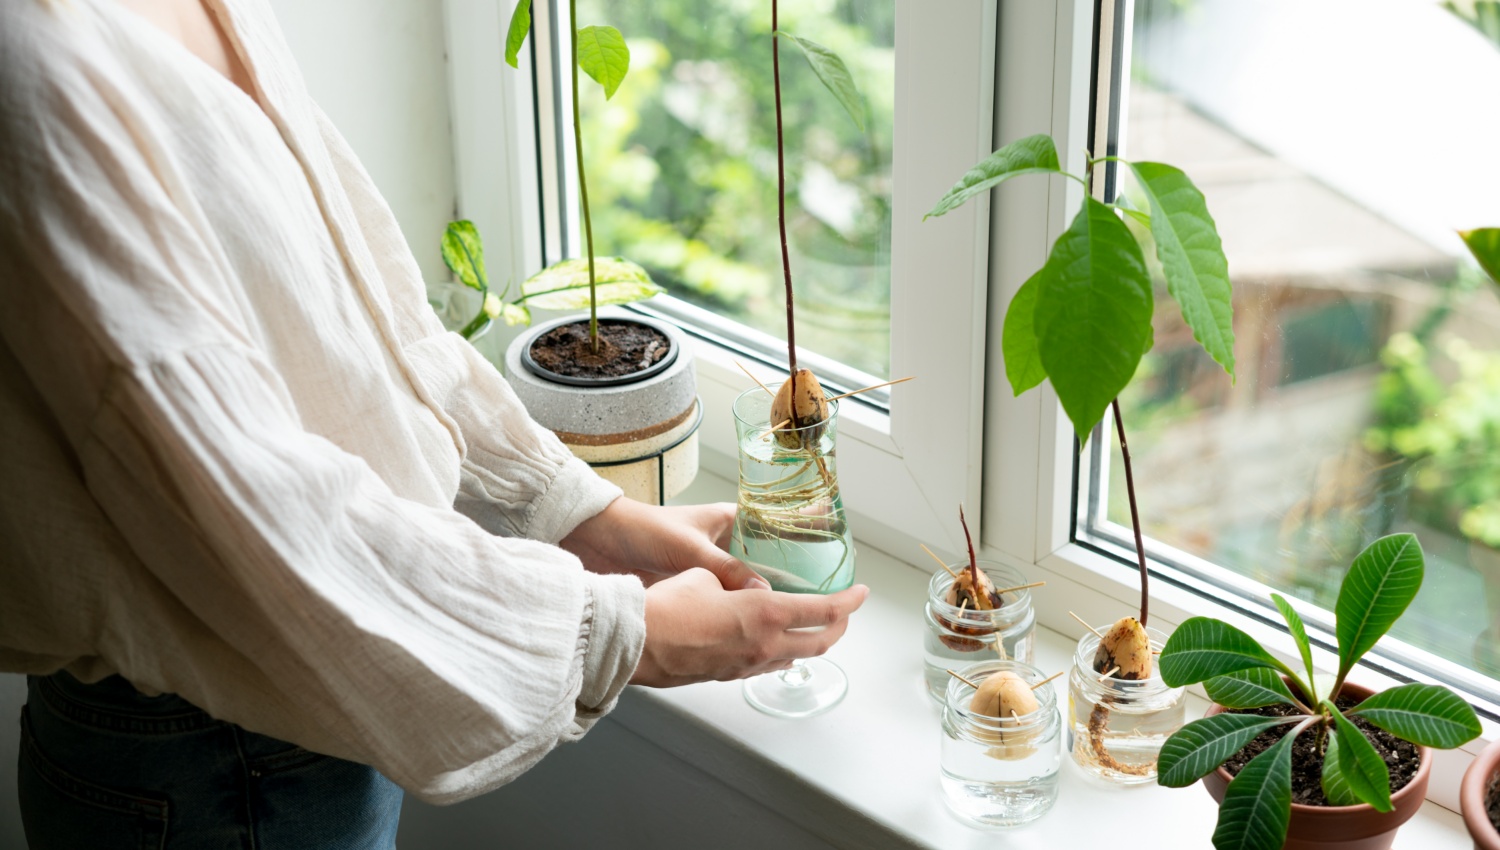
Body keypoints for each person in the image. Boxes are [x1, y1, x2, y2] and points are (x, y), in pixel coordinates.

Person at [0, 0, 869, 846]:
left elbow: (353, 314)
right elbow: (254, 511)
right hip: (209, 770)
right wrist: (623, 636)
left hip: (297, 721)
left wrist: (580, 514)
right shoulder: (33, 68)